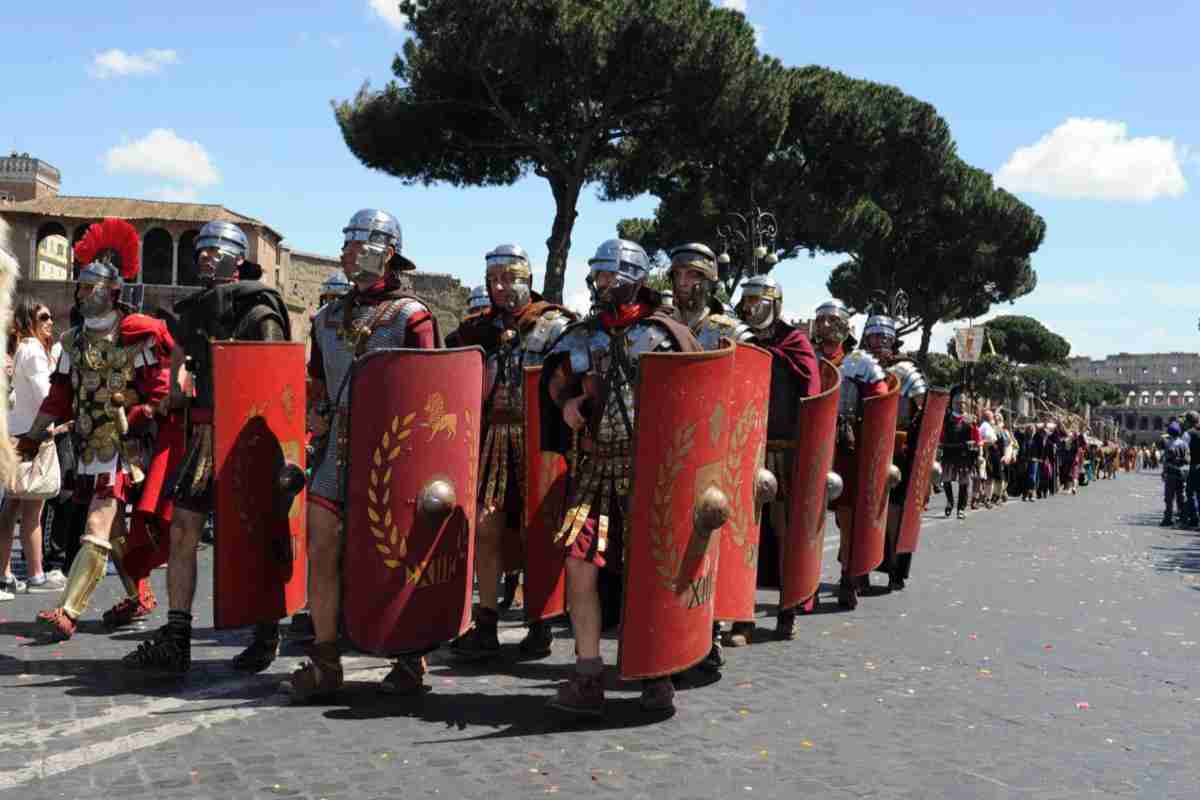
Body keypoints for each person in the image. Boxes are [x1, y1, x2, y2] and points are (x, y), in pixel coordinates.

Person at [539, 239, 700, 716]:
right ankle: (588, 674)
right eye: (597, 275)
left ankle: (656, 670)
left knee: (650, 570)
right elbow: (556, 383)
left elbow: (694, 399)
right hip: (596, 471)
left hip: (652, 473)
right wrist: (566, 401)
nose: (598, 283)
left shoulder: (664, 335)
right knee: (578, 562)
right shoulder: (583, 335)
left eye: (607, 275)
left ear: (632, 277)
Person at [286, 209, 441, 701]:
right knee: (323, 548)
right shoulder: (326, 318)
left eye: (357, 244)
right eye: (346, 244)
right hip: (336, 452)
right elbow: (316, 383)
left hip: (392, 453)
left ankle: (410, 656)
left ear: (385, 251)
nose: (346, 252)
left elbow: (432, 390)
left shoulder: (411, 316)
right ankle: (327, 660)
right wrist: (315, 413)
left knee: (395, 551)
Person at [17, 219, 174, 641]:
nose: (83, 294)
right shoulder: (72, 341)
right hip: (89, 442)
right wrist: (33, 434)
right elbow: (59, 395)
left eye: (91, 288)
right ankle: (140, 596)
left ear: (112, 291)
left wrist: (137, 411)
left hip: (123, 446)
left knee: (99, 523)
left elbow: (160, 394)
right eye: (81, 287)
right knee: (116, 532)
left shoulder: (136, 337)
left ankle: (67, 611)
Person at [445, 244, 574, 662]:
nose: (499, 287)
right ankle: (485, 621)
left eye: (508, 278)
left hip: (538, 443)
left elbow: (572, 383)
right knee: (485, 526)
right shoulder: (476, 329)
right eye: (493, 279)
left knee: (537, 529)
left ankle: (539, 622)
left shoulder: (554, 325)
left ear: (526, 279)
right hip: (494, 440)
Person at [667, 242, 751, 667]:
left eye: (695, 276)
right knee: (672, 543)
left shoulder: (729, 329)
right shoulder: (659, 326)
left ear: (709, 281)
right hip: (671, 449)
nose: (687, 284)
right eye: (681, 275)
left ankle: (710, 630)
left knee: (708, 533)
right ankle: (673, 629)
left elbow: (750, 380)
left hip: (714, 448)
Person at [730, 274, 819, 641]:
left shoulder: (794, 342)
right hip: (741, 448)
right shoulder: (736, 337)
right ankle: (740, 618)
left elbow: (813, 396)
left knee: (783, 533)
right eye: (747, 302)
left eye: (758, 302)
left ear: (775, 305)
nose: (751, 309)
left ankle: (787, 611)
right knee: (741, 534)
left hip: (784, 451)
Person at [810, 300, 889, 608]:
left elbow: (880, 401)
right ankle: (806, 581)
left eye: (832, 320)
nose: (826, 325)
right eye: (822, 319)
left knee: (846, 514)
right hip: (813, 443)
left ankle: (847, 576)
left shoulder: (861, 362)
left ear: (845, 327)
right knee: (807, 515)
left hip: (846, 445)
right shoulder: (810, 357)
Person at [1, 296, 67, 598]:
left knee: (14, 508)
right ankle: (36, 574)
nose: (50, 321)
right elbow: (46, 397)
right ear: (29, 321)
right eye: (44, 317)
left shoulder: (25, 350)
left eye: (50, 316)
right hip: (33, 437)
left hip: (19, 433)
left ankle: (7, 574)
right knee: (31, 510)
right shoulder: (35, 353)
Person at [861, 312, 927, 590]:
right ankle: (860, 567)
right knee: (861, 512)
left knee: (895, 513)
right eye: (872, 335)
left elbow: (924, 410)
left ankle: (894, 567)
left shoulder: (905, 370)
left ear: (891, 339)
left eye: (881, 336)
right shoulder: (859, 365)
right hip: (864, 446)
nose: (876, 341)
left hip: (899, 449)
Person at [941, 408, 975, 519]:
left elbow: (976, 437)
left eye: (963, 401)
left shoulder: (970, 419)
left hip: (963, 454)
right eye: (959, 401)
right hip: (948, 452)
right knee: (946, 480)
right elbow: (940, 435)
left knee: (963, 483)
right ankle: (950, 501)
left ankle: (961, 509)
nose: (961, 404)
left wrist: (974, 445)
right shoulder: (946, 419)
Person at [1161, 421, 1188, 526]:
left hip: (1171, 474)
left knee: (1169, 498)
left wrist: (1164, 472)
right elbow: (1187, 460)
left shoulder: (1168, 444)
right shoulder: (1184, 444)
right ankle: (1182, 518)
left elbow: (1165, 461)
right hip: (1181, 474)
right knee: (1180, 497)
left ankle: (1168, 518)